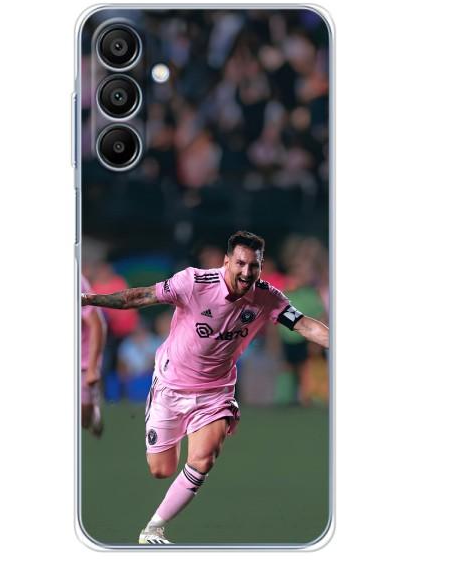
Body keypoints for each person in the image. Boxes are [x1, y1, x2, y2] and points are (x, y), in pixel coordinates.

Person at [81, 231, 329, 544]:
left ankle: (153, 529)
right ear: (227, 262)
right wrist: (89, 299)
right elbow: (139, 297)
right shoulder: (194, 283)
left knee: (204, 458)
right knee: (161, 469)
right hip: (171, 385)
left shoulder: (268, 297)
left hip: (216, 392)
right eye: (240, 263)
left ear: (260, 266)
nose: (247, 272)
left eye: (254, 266)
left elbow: (304, 325)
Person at [81, 275, 106, 438]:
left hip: (82, 362)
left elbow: (97, 324)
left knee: (83, 418)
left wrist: (92, 368)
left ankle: (93, 410)